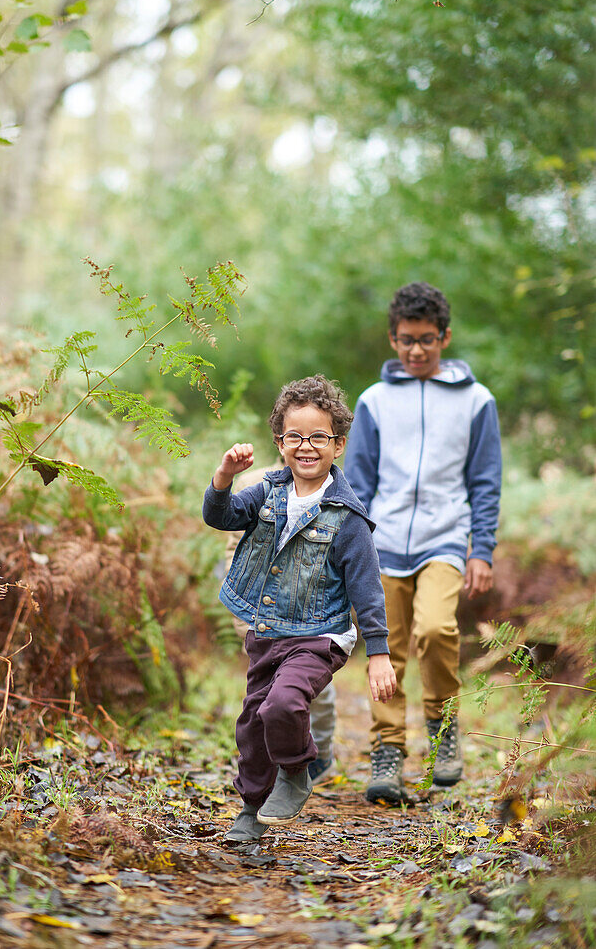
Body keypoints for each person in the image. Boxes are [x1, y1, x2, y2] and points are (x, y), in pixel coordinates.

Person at [203, 375, 396, 843]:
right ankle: (251, 808)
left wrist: (379, 652)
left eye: (318, 437)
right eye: (295, 436)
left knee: (283, 705)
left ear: (338, 444)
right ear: (280, 442)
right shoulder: (267, 491)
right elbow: (220, 516)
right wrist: (225, 476)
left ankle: (296, 769)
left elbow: (367, 588)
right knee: (252, 722)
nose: (306, 447)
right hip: (268, 630)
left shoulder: (347, 518)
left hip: (320, 635)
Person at [343, 282, 501, 803]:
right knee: (385, 647)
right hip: (381, 542)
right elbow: (358, 484)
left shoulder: (477, 402)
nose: (416, 349)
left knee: (435, 629)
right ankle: (387, 751)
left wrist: (482, 549)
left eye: (427, 339)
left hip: (445, 539)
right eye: (407, 339)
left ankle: (442, 727)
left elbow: (484, 481)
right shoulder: (374, 401)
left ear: (445, 337)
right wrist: (350, 549)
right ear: (392, 338)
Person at [224, 464, 338, 786]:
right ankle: (275, 767)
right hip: (264, 614)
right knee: (265, 696)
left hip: (312, 615)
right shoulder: (256, 485)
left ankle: (321, 754)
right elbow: (235, 550)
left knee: (319, 692)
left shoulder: (332, 488)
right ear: (280, 438)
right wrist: (243, 616)